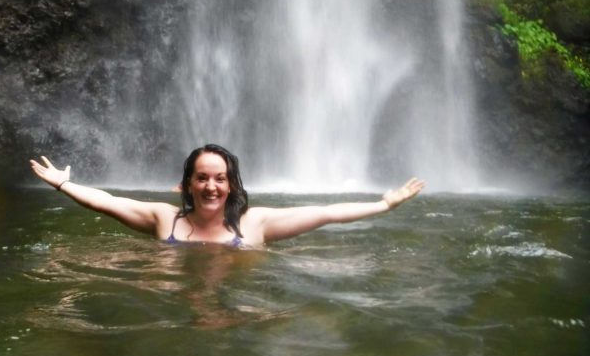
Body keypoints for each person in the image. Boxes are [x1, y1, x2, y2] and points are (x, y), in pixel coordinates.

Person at [29, 144, 425, 248]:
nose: (211, 187)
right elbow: (107, 202)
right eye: (202, 178)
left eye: (220, 179)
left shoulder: (256, 224)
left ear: (231, 185)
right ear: (187, 184)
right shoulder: (164, 219)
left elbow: (325, 213)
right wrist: (63, 184)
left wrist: (383, 205)